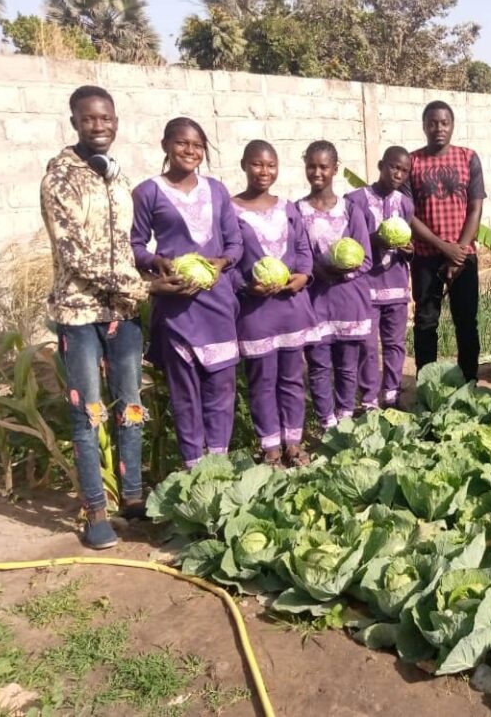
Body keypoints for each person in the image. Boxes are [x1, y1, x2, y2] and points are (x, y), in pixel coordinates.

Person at [41, 85, 187, 549]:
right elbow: (77, 257)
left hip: (121, 313)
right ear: (75, 123)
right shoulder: (60, 179)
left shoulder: (116, 177)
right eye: (89, 119)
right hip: (79, 312)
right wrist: (145, 288)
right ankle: (96, 511)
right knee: (88, 413)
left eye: (105, 118)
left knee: (131, 407)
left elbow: (122, 244)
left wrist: (151, 265)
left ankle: (133, 500)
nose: (98, 126)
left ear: (116, 122)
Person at [131, 117, 243, 469]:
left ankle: (218, 464)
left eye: (197, 145)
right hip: (177, 305)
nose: (190, 150)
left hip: (217, 302)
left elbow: (235, 243)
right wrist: (156, 261)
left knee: (221, 387)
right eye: (182, 143)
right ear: (165, 145)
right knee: (185, 391)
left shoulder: (217, 190)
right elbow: (134, 244)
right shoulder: (148, 192)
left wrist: (221, 262)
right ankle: (193, 466)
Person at [231, 140, 315, 467]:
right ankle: (270, 448)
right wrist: (246, 286)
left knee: (292, 379)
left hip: (290, 308)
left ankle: (293, 443)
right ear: (244, 165)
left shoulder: (288, 208)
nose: (263, 171)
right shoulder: (231, 210)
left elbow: (304, 249)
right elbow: (227, 261)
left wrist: (303, 276)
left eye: (270, 165)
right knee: (262, 382)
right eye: (256, 164)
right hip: (256, 313)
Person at [407, 101, 487, 382]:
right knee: (426, 322)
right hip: (426, 257)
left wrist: (459, 252)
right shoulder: (412, 162)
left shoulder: (468, 158)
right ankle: (426, 382)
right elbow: (408, 214)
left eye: (444, 122)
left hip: (463, 256)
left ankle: (469, 382)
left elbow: (475, 209)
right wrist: (444, 248)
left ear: (452, 126)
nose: (438, 128)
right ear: (424, 126)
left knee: (466, 322)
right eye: (432, 123)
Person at [298, 140, 373, 425]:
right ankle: (326, 423)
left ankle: (345, 419)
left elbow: (365, 259)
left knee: (346, 367)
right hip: (314, 303)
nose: (317, 173)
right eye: (311, 166)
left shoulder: (350, 210)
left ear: (335, 169)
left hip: (348, 302)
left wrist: (337, 273)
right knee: (318, 366)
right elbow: (296, 255)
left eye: (323, 167)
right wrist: (315, 271)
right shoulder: (297, 211)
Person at [348, 146, 414, 410]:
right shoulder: (355, 200)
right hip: (366, 287)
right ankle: (368, 399)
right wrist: (376, 239)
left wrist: (408, 250)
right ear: (381, 166)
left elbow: (408, 245)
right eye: (394, 167)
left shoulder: (405, 204)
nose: (398, 174)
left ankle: (392, 395)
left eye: (404, 170)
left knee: (395, 343)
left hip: (397, 287)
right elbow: (350, 242)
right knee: (366, 345)